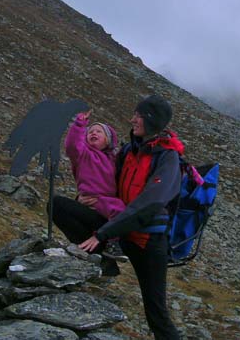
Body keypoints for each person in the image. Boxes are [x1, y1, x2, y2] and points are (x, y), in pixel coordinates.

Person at [79, 94, 183, 340]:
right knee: (60, 207)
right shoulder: (129, 151)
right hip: (121, 231)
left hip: (149, 240)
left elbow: (150, 203)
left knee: (156, 311)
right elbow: (107, 182)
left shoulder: (168, 158)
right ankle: (105, 261)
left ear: (150, 119)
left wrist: (103, 233)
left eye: (138, 115)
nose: (132, 119)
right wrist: (92, 199)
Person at [50, 110, 124, 275]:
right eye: (90, 131)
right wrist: (79, 124)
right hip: (89, 206)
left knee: (119, 211)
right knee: (55, 204)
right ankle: (101, 258)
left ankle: (112, 245)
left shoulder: (115, 159)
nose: (94, 133)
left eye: (99, 131)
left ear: (109, 140)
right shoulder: (83, 154)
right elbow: (72, 146)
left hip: (107, 205)